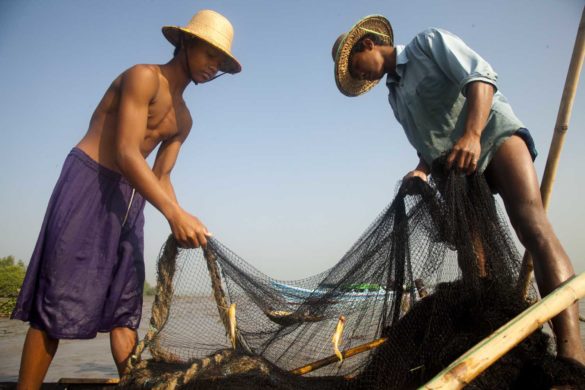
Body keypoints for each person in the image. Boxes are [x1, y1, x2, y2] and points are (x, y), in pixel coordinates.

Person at [331, 15, 585, 365]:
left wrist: (472, 135)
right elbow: (426, 142)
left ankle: (572, 354)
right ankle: (493, 349)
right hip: (457, 173)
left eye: (357, 69)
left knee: (533, 228)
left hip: (493, 137)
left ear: (367, 45)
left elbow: (481, 77)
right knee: (472, 263)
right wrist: (420, 171)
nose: (361, 77)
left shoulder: (426, 44)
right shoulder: (394, 96)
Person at [11, 9, 242, 388]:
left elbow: (161, 176)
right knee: (57, 299)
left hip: (132, 198)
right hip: (88, 182)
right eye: (209, 54)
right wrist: (172, 213)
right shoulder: (142, 77)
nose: (213, 66)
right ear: (185, 42)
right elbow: (125, 153)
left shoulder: (184, 120)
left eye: (220, 62)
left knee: (125, 307)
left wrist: (184, 216)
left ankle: (134, 384)